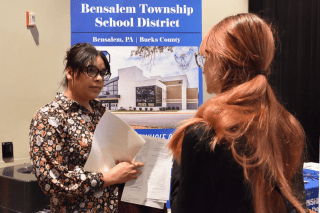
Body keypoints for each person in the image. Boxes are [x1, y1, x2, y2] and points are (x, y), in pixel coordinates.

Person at [168, 13, 309, 213]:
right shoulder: (289, 126)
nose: (203, 67)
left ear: (222, 62)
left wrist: (180, 160)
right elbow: (295, 205)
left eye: (205, 58)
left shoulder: (205, 133)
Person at [29, 43, 144, 213]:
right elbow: (51, 181)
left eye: (102, 73)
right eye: (91, 70)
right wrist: (107, 178)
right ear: (70, 72)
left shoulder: (100, 112)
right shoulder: (49, 117)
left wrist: (122, 164)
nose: (99, 78)